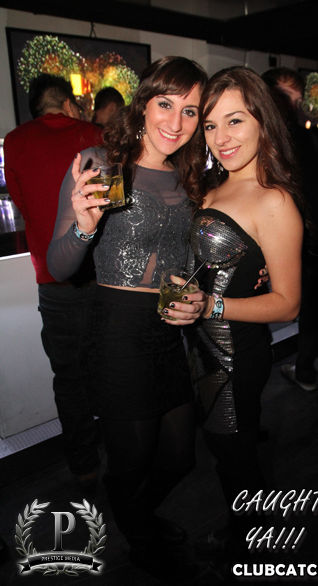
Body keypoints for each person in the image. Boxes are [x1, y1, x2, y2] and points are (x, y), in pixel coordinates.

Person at [47, 56, 208, 583]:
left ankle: (137, 516)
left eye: (190, 111)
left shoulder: (190, 174)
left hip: (168, 331)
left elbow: (189, 256)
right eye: (166, 104)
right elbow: (60, 266)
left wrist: (200, 292)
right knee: (133, 461)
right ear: (144, 103)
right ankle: (143, 544)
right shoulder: (105, 163)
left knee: (180, 456)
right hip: (117, 333)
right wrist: (85, 227)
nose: (176, 122)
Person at [163, 67, 304, 573]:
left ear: (263, 120)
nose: (221, 137)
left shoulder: (274, 199)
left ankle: (251, 548)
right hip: (202, 353)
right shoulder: (213, 186)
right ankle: (245, 531)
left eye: (235, 121)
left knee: (235, 456)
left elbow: (288, 304)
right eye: (210, 125)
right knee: (226, 452)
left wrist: (210, 306)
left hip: (236, 357)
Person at [4, 74, 102, 487]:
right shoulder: (92, 133)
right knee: (111, 370)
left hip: (52, 282)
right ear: (67, 104)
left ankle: (84, 467)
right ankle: (128, 454)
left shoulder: (14, 142)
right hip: (100, 277)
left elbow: (21, 206)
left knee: (69, 379)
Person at [262, 67, 318, 391]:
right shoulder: (267, 133)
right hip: (299, 233)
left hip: (304, 234)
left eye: (296, 99)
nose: (293, 106)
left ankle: (303, 370)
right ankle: (302, 370)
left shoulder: (293, 136)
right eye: (285, 97)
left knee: (303, 303)